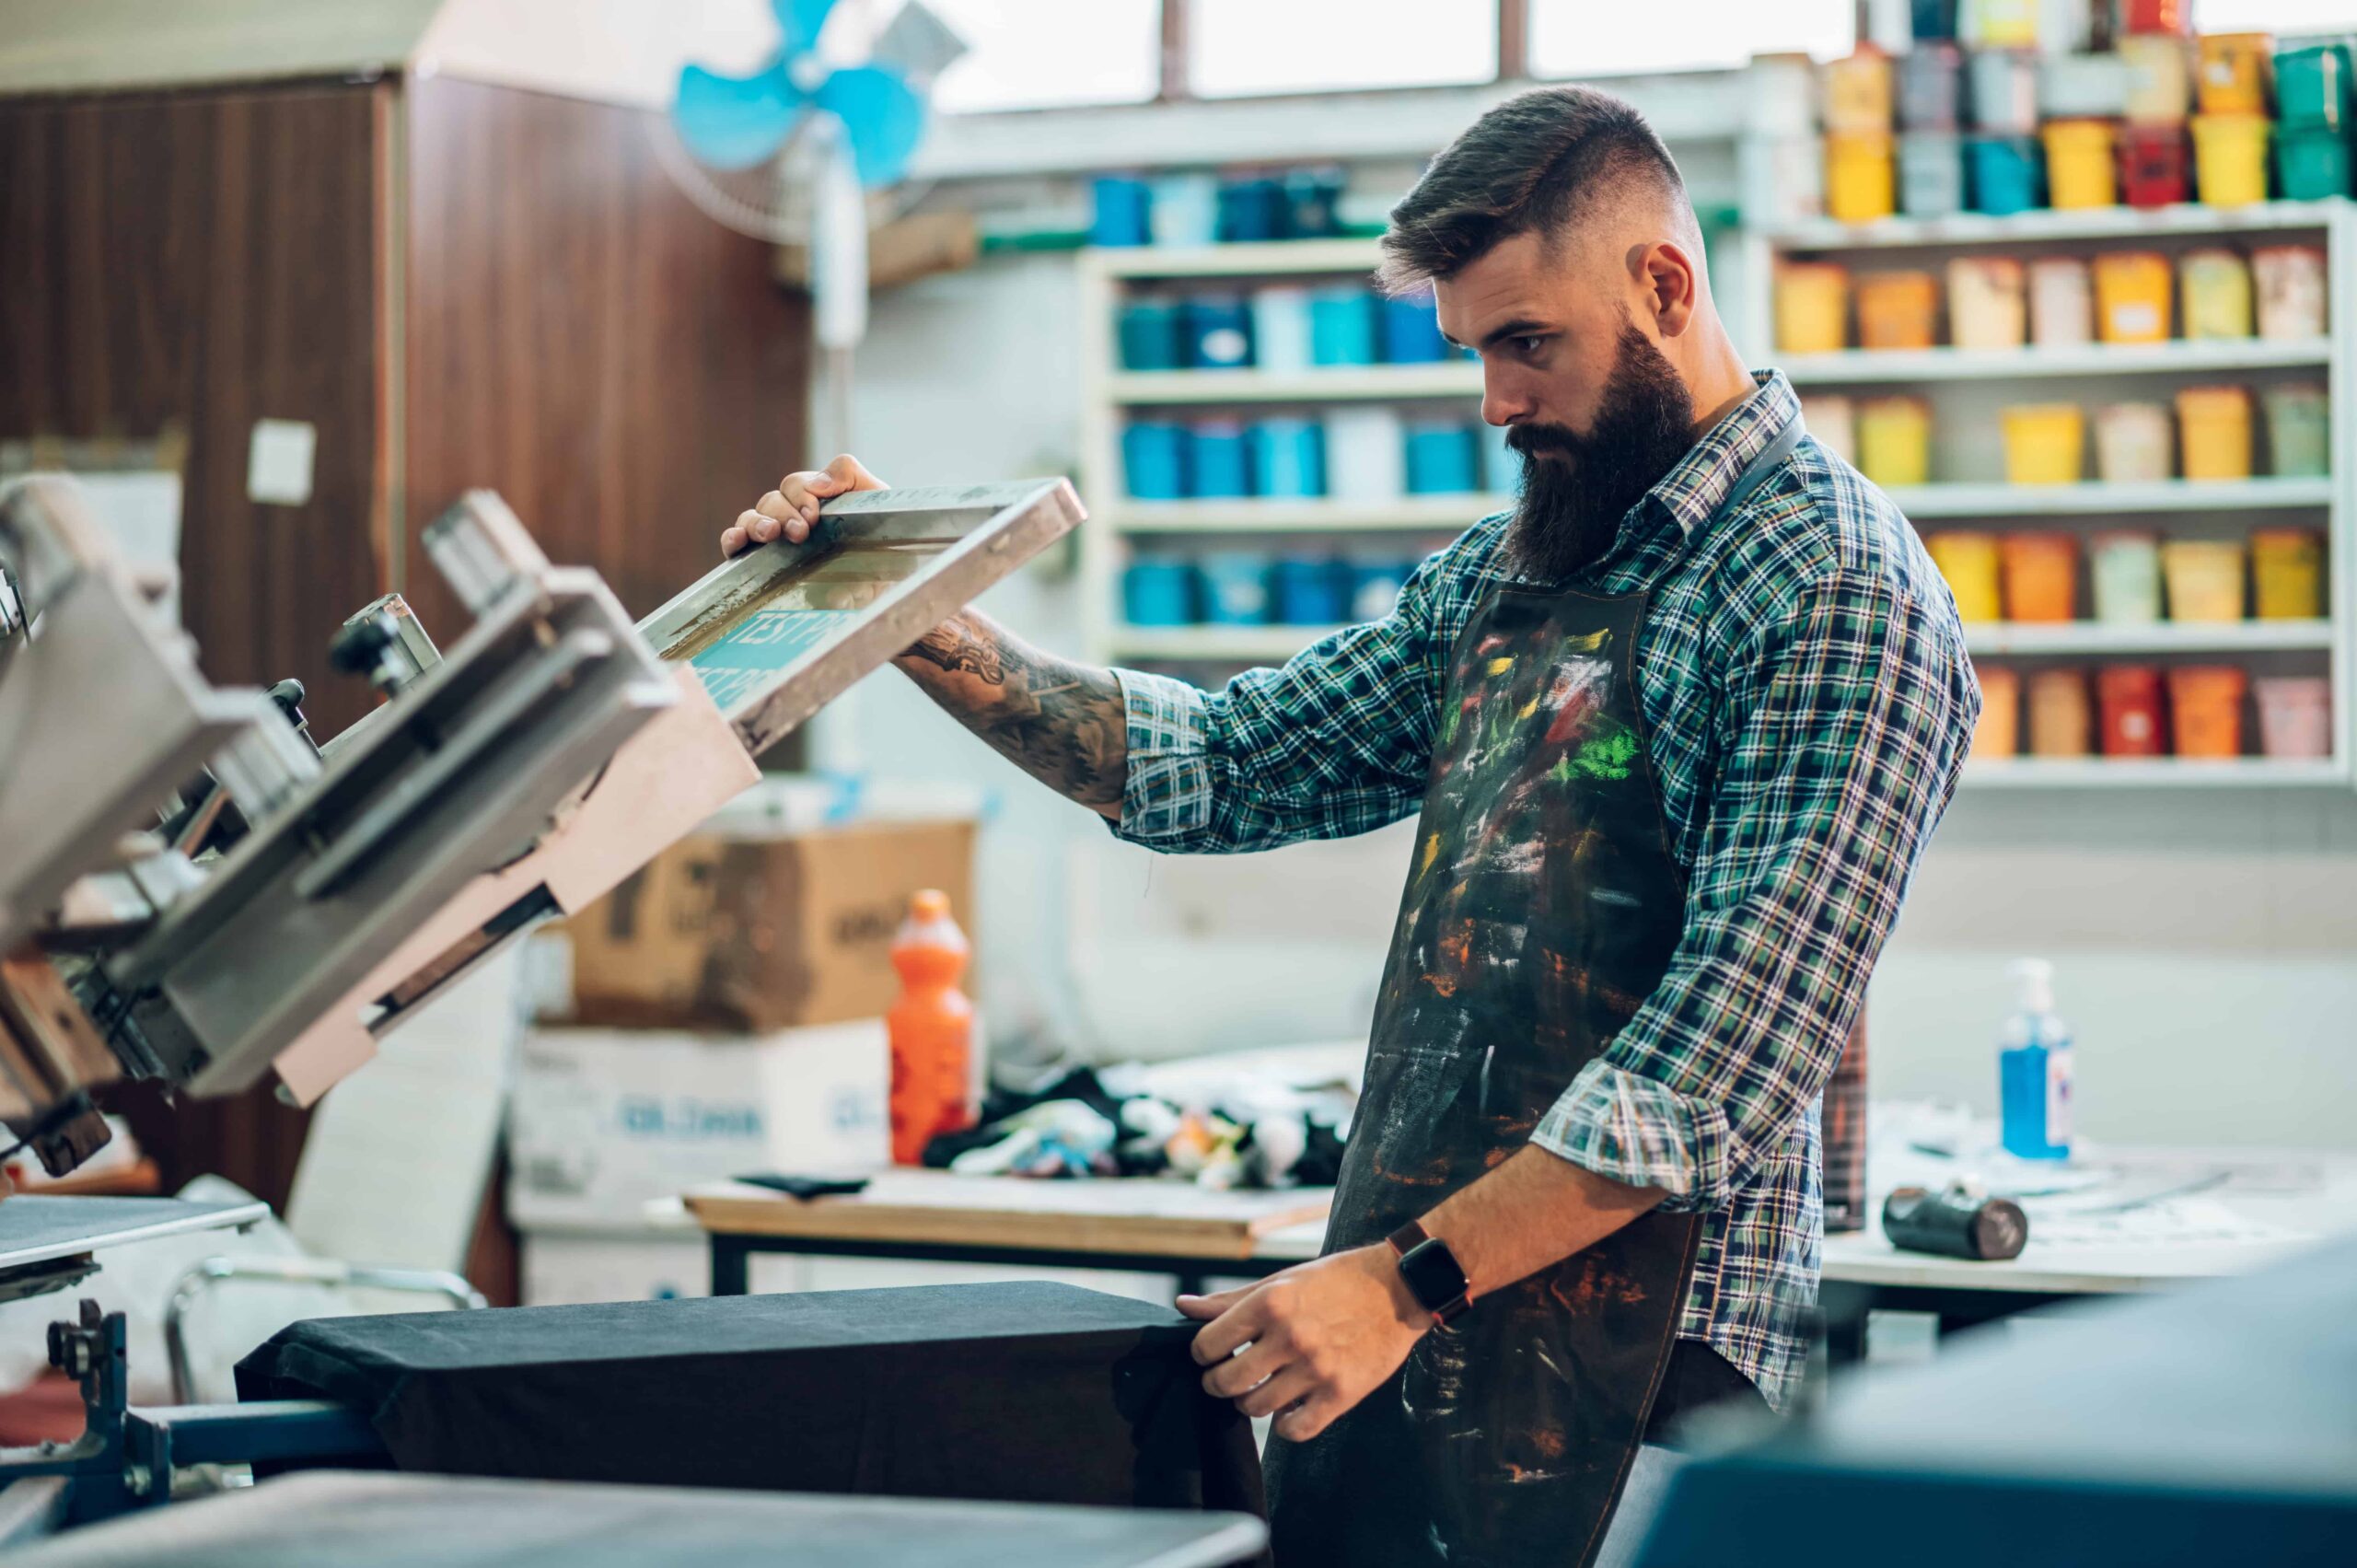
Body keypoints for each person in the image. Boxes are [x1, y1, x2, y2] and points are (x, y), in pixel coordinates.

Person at [724, 84, 1978, 1568]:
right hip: (1403, 1324)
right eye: (1476, 354)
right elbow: (1227, 762)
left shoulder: (1834, 590)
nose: (1499, 402)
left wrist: (1398, 1284)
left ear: (1664, 284)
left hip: (1641, 1382)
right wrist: (924, 623)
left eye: (1530, 342)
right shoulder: (1512, 570)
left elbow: (1714, 1071)